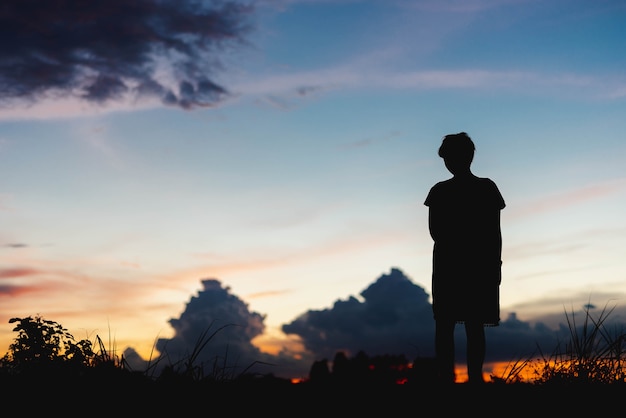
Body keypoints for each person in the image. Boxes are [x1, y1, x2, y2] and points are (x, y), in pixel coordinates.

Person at [424, 132, 505, 384]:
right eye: (446, 158)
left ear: (467, 156)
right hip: (463, 266)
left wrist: (494, 263)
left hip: (462, 266)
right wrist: (493, 262)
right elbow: (493, 233)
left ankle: (467, 380)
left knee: (462, 325)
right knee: (460, 325)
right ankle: (458, 379)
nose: (449, 162)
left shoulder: (479, 188)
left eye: (450, 156)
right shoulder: (480, 189)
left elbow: (493, 233)